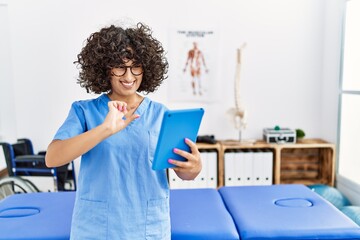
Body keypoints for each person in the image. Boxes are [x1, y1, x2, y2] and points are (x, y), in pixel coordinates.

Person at [45, 22, 202, 239]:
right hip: (96, 228)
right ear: (105, 68)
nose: (129, 76)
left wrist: (194, 167)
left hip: (148, 227)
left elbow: (184, 172)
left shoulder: (161, 115)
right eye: (120, 66)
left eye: (135, 66)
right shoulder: (83, 111)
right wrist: (105, 129)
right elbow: (53, 158)